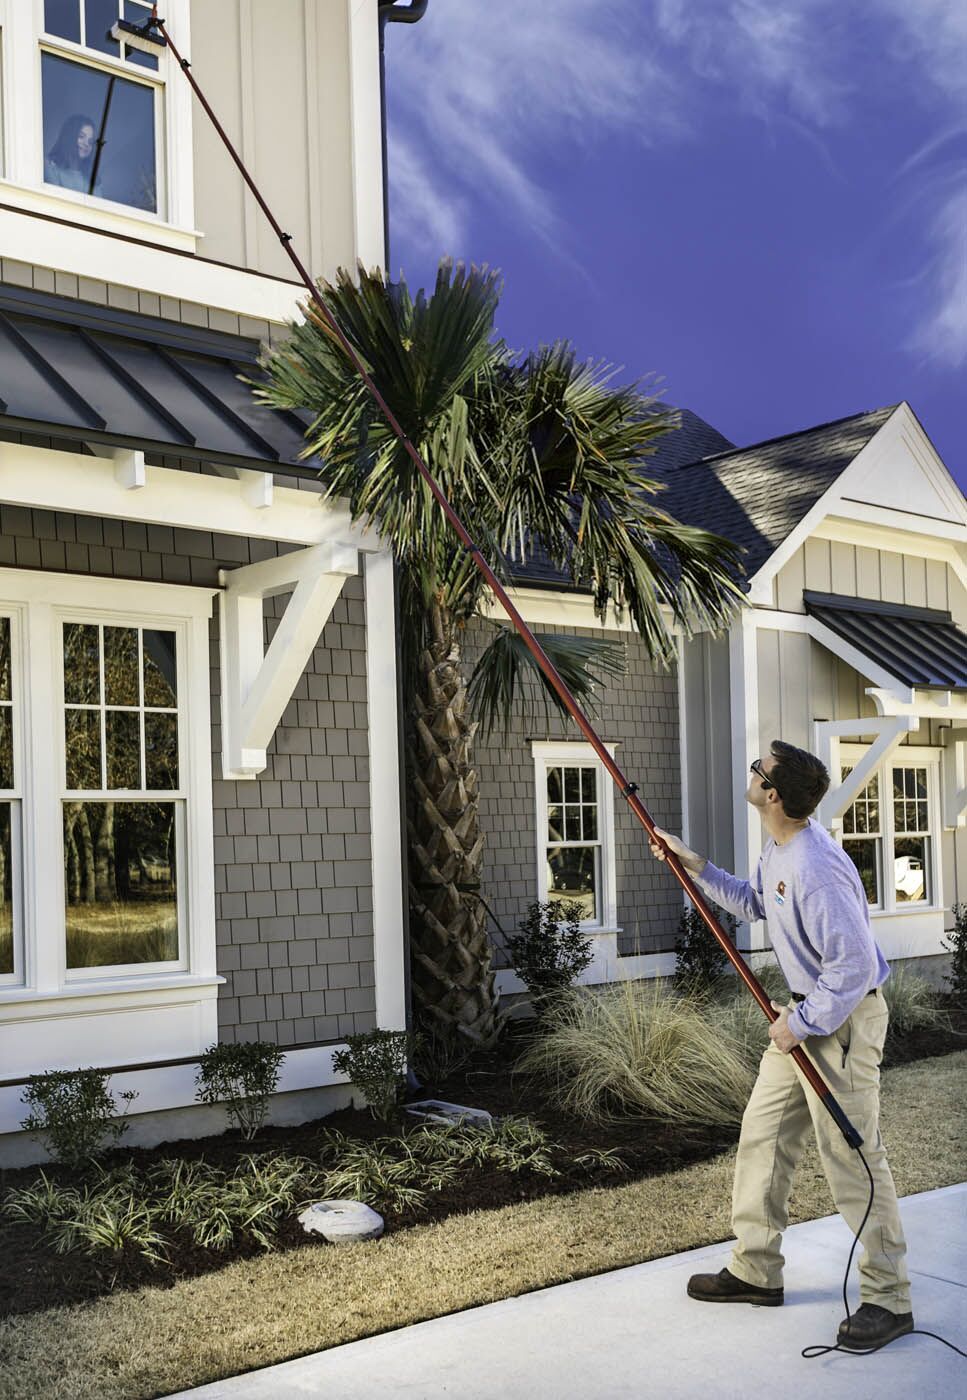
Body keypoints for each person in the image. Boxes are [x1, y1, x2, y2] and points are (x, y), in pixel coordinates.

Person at [650, 739, 913, 1351]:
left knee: (852, 1156)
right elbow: (753, 903)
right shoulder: (782, 847)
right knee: (763, 1138)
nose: (751, 772)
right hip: (804, 1013)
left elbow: (850, 969)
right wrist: (694, 865)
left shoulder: (818, 868)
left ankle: (888, 1297)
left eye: (757, 770)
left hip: (840, 1022)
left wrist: (801, 1023)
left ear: (772, 794)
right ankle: (755, 1270)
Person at [44, 114, 97, 194]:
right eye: (81, 136)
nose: (86, 144)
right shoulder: (49, 166)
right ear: (69, 137)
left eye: (90, 141)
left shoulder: (93, 179)